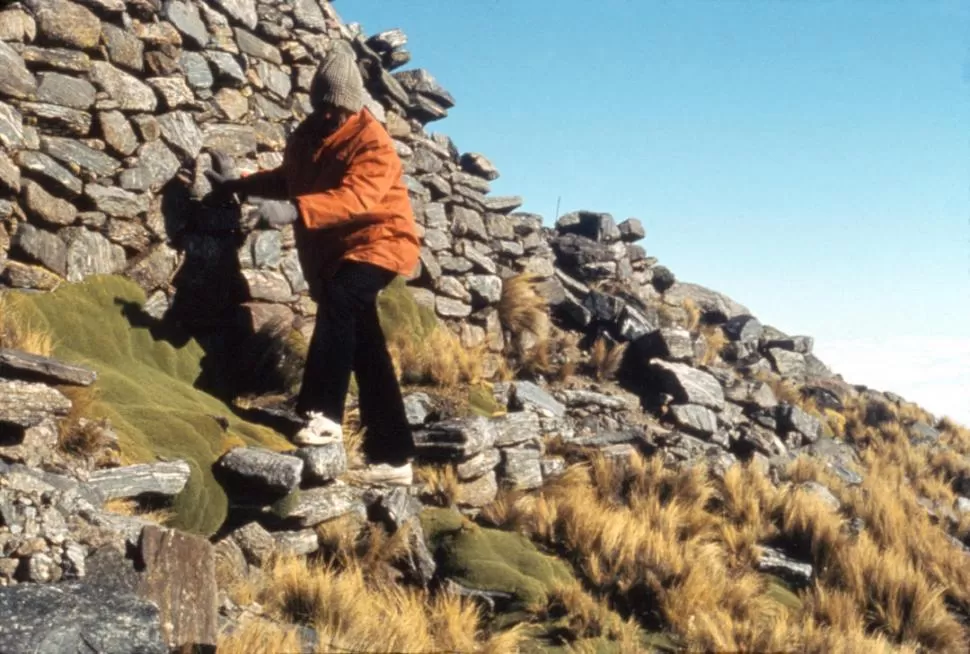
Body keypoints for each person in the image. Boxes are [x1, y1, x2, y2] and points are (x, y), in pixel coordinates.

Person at [206, 43, 421, 484]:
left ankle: (322, 414)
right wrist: (239, 185)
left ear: (354, 106)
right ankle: (394, 455)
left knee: (342, 299)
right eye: (325, 107)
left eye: (340, 110)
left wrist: (294, 211)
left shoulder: (372, 142)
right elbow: (289, 179)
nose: (332, 117)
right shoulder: (306, 136)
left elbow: (357, 198)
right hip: (336, 251)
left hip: (381, 240)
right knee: (367, 349)